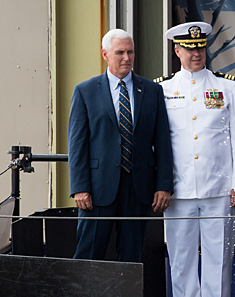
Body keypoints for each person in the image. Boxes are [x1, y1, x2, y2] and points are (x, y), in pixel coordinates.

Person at [159, 22, 235, 297]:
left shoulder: (227, 86)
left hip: (219, 188)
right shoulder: (163, 89)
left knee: (218, 259)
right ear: (177, 50)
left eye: (199, 47)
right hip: (179, 190)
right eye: (189, 48)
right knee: (181, 258)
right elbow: (157, 144)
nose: (195, 53)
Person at [68, 29, 172, 263]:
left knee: (131, 260)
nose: (127, 58)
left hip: (138, 189)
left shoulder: (152, 91)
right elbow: (76, 144)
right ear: (105, 54)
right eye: (120, 53)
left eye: (130, 52)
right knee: (88, 255)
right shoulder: (85, 91)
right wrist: (79, 187)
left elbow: (163, 141)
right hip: (96, 190)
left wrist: (164, 185)